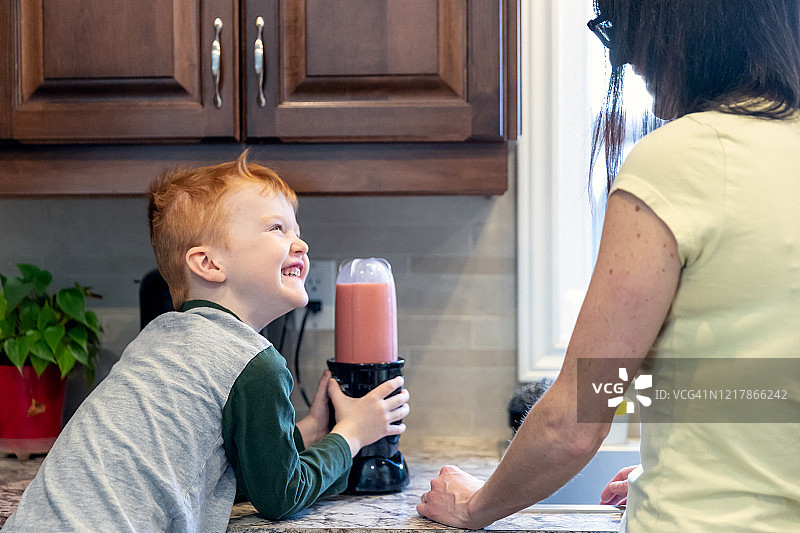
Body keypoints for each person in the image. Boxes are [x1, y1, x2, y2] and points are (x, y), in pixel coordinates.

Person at [417, 0, 800, 531]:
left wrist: (472, 505)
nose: (619, 50)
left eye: (620, 22)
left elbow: (577, 418)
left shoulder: (682, 160)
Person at [2, 151, 410, 531]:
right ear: (209, 263)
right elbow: (280, 494)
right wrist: (354, 434)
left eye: (296, 230)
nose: (300, 243)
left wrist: (307, 432)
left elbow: (221, 465)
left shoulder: (158, 340)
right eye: (276, 228)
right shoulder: (252, 362)